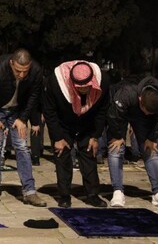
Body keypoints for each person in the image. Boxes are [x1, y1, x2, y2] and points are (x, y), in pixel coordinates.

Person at [0, 49, 46, 208]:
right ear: (11, 63)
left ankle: (29, 191)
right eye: (18, 71)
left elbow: (34, 96)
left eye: (25, 71)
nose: (22, 75)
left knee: (22, 147)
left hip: (19, 111)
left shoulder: (36, 71)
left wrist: (23, 119)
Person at [43, 60, 110, 208]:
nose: (83, 91)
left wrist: (95, 135)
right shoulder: (55, 82)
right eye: (80, 88)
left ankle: (92, 195)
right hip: (63, 122)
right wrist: (57, 138)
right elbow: (49, 111)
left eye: (87, 87)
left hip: (88, 122)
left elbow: (102, 110)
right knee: (62, 155)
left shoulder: (103, 80)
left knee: (89, 154)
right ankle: (64, 195)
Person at [106, 76, 158, 207]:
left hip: (142, 120)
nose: (149, 114)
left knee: (151, 148)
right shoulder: (126, 93)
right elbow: (113, 115)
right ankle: (117, 191)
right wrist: (118, 136)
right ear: (140, 100)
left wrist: (152, 138)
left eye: (151, 113)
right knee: (115, 148)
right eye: (147, 111)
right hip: (120, 114)